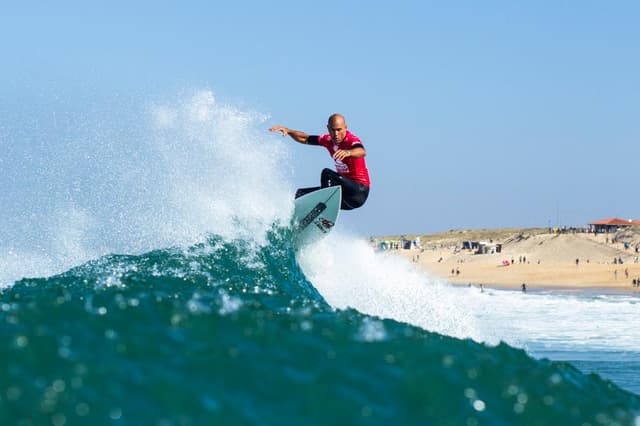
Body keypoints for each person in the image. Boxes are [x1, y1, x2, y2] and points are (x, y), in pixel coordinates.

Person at [269, 114, 370, 210]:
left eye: (339, 130)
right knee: (300, 195)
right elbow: (305, 138)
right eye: (333, 130)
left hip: (358, 191)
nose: (336, 134)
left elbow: (362, 151)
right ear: (328, 128)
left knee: (327, 174)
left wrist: (348, 152)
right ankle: (299, 220)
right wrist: (289, 131)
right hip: (342, 195)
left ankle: (323, 209)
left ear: (345, 128)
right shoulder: (328, 140)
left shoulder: (351, 140)